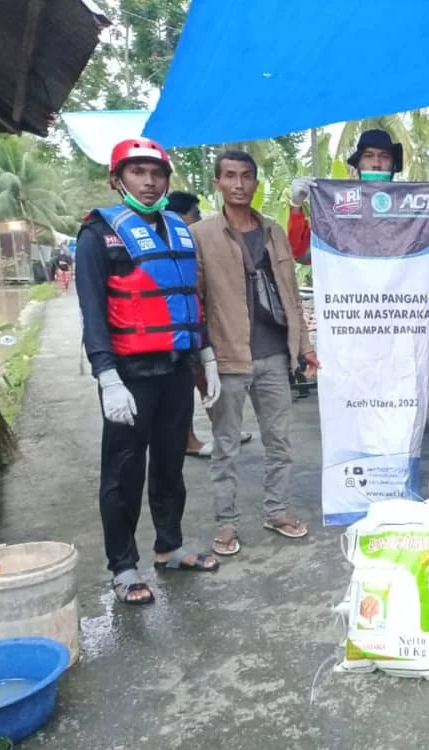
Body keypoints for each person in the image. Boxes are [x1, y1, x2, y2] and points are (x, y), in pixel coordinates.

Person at [75, 138, 222, 606]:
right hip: (129, 376)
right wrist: (107, 376)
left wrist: (207, 355)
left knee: (170, 466)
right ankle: (123, 568)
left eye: (156, 172)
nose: (149, 180)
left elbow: (189, 300)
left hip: (176, 369)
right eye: (137, 172)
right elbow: (93, 312)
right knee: (122, 474)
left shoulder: (179, 229)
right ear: (118, 179)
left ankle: (170, 547)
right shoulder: (98, 234)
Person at [192, 149, 316, 557]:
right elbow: (195, 301)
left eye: (246, 176)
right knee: (225, 446)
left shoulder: (273, 232)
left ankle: (276, 511)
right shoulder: (202, 236)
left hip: (274, 355)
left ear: (255, 183)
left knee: (279, 442)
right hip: (227, 358)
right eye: (230, 176)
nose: (239, 184)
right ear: (218, 183)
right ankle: (226, 524)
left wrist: (305, 348)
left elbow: (292, 296)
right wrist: (202, 358)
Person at [287, 128, 429, 366]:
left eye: (384, 156)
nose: (377, 163)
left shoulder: (414, 208)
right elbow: (302, 252)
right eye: (369, 155)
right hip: (352, 328)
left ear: (393, 164)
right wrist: (296, 206)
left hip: (401, 327)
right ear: (358, 163)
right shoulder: (338, 204)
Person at [167, 191, 253, 460]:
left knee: (207, 381)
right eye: (196, 215)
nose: (199, 220)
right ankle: (188, 440)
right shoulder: (169, 244)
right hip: (179, 329)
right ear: (180, 216)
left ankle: (225, 429)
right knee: (184, 388)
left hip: (201, 324)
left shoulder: (193, 244)